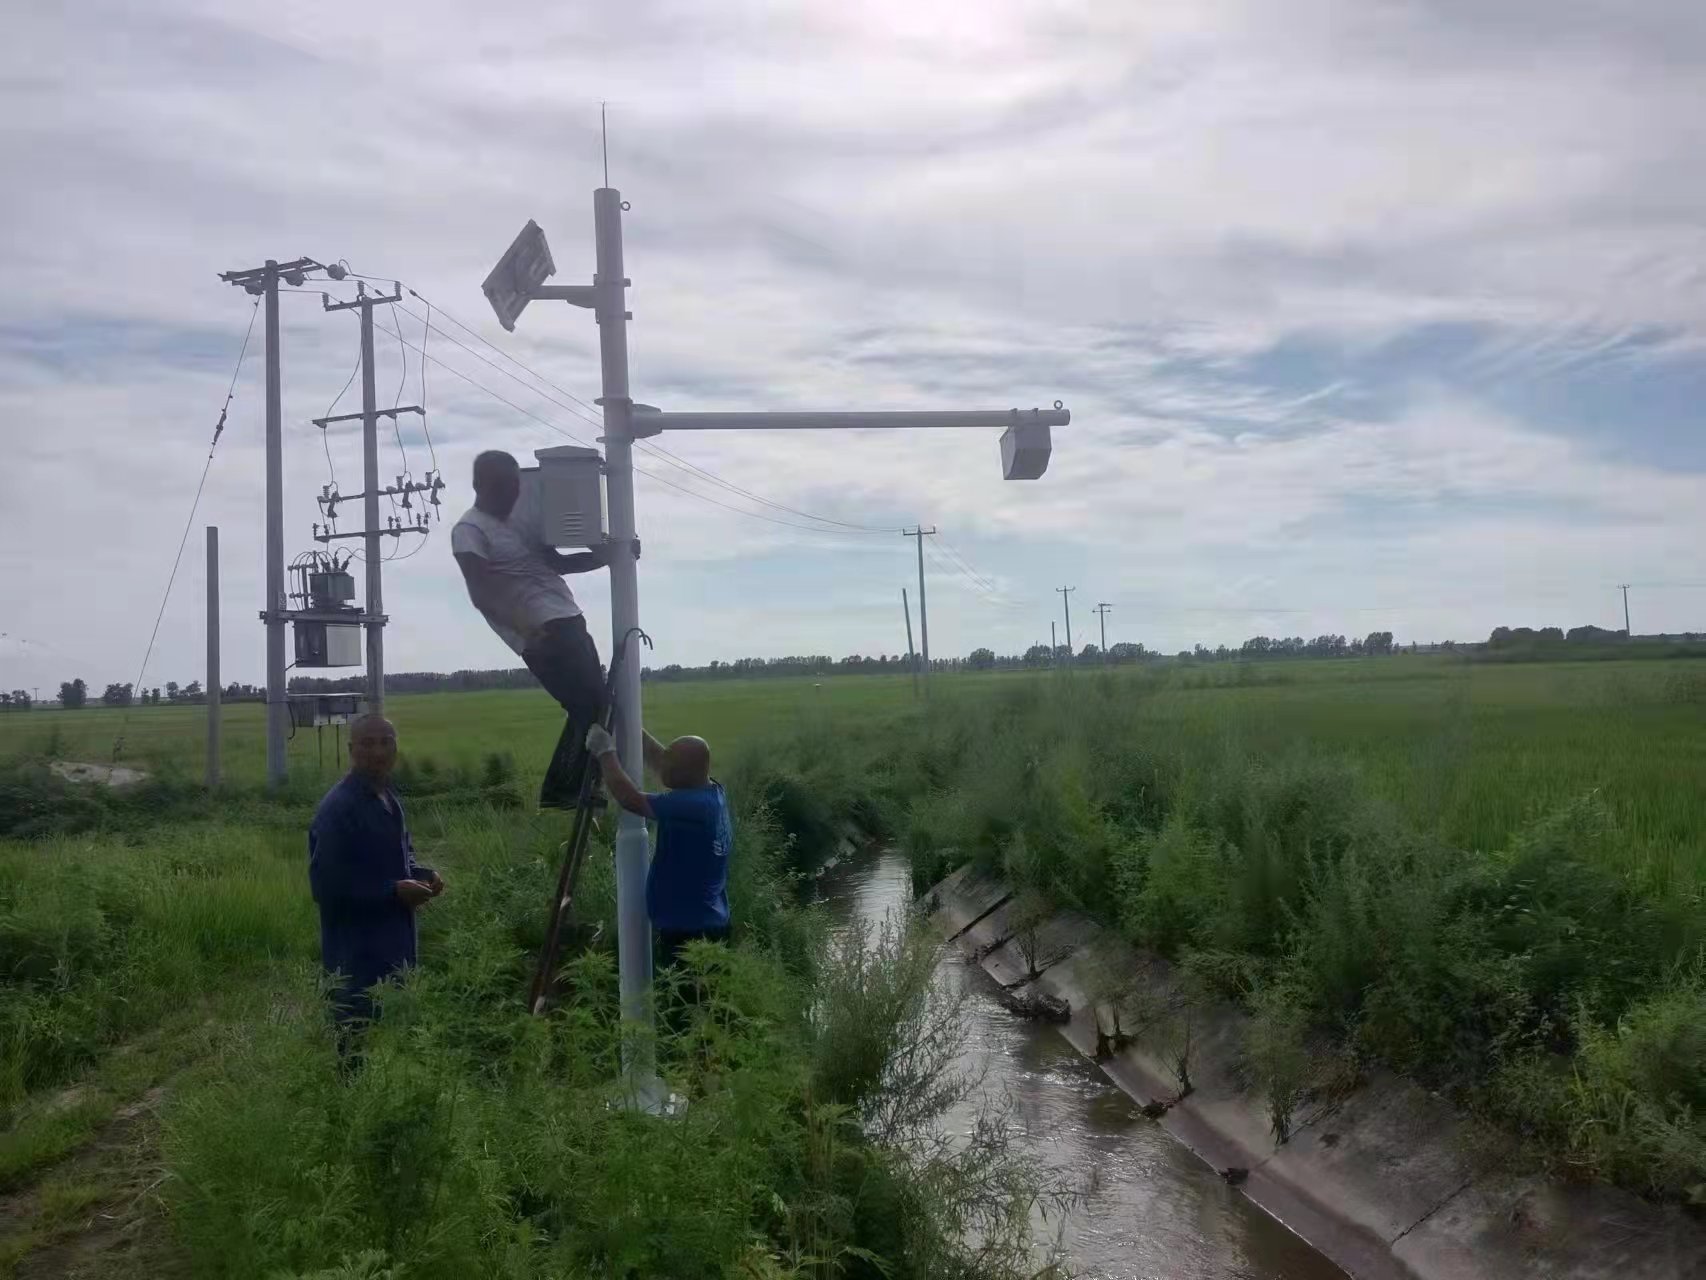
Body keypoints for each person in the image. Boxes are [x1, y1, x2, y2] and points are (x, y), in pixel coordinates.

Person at [450, 449, 636, 809]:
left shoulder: (519, 524)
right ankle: (564, 788)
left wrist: (611, 555)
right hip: (544, 631)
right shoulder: (469, 530)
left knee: (597, 706)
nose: (511, 495)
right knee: (591, 706)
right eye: (502, 488)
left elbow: (559, 565)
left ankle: (577, 786)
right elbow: (480, 593)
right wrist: (525, 627)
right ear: (479, 486)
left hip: (567, 617)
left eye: (515, 487)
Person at [307, 714, 445, 1035]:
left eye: (387, 742)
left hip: (395, 952)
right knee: (358, 1049)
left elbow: (400, 858)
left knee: (393, 1048)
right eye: (368, 743)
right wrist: (393, 892)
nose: (379, 752)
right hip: (356, 962)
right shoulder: (338, 809)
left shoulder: (388, 800)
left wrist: (424, 876)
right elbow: (326, 888)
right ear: (351, 749)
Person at [584, 723, 732, 968]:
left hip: (693, 936)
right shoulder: (710, 791)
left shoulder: (692, 805)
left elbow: (631, 799)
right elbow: (664, 762)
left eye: (670, 764)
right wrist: (631, 724)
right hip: (705, 923)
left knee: (690, 1003)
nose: (663, 765)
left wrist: (605, 752)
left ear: (684, 774)